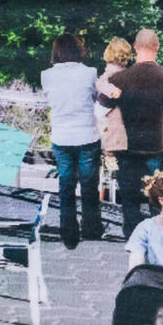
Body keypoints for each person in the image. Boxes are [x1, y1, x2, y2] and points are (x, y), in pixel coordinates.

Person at [101, 29, 163, 237]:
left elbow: (103, 103)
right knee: (157, 196)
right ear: (157, 48)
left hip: (128, 147)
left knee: (129, 198)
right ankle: (158, 235)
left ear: (135, 48)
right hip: (154, 146)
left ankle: (133, 237)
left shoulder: (122, 78)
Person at [40, 33, 104, 248]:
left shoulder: (46, 75)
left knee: (66, 186)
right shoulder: (90, 73)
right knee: (89, 185)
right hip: (87, 135)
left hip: (62, 136)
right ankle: (92, 227)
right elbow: (96, 99)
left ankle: (68, 230)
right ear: (79, 50)